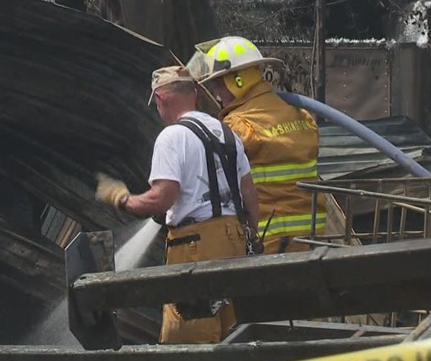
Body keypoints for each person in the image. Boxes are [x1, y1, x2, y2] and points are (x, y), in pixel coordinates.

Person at [95, 65, 260, 344]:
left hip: (195, 248)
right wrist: (251, 238)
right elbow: (250, 195)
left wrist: (123, 199)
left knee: (190, 338)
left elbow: (162, 198)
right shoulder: (226, 131)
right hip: (234, 241)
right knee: (231, 331)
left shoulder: (171, 137)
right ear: (194, 93)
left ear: (160, 99)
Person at [189, 37, 327, 254]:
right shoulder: (303, 117)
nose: (216, 94)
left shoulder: (237, 126)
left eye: (218, 84)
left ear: (238, 81)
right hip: (314, 238)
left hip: (268, 242)